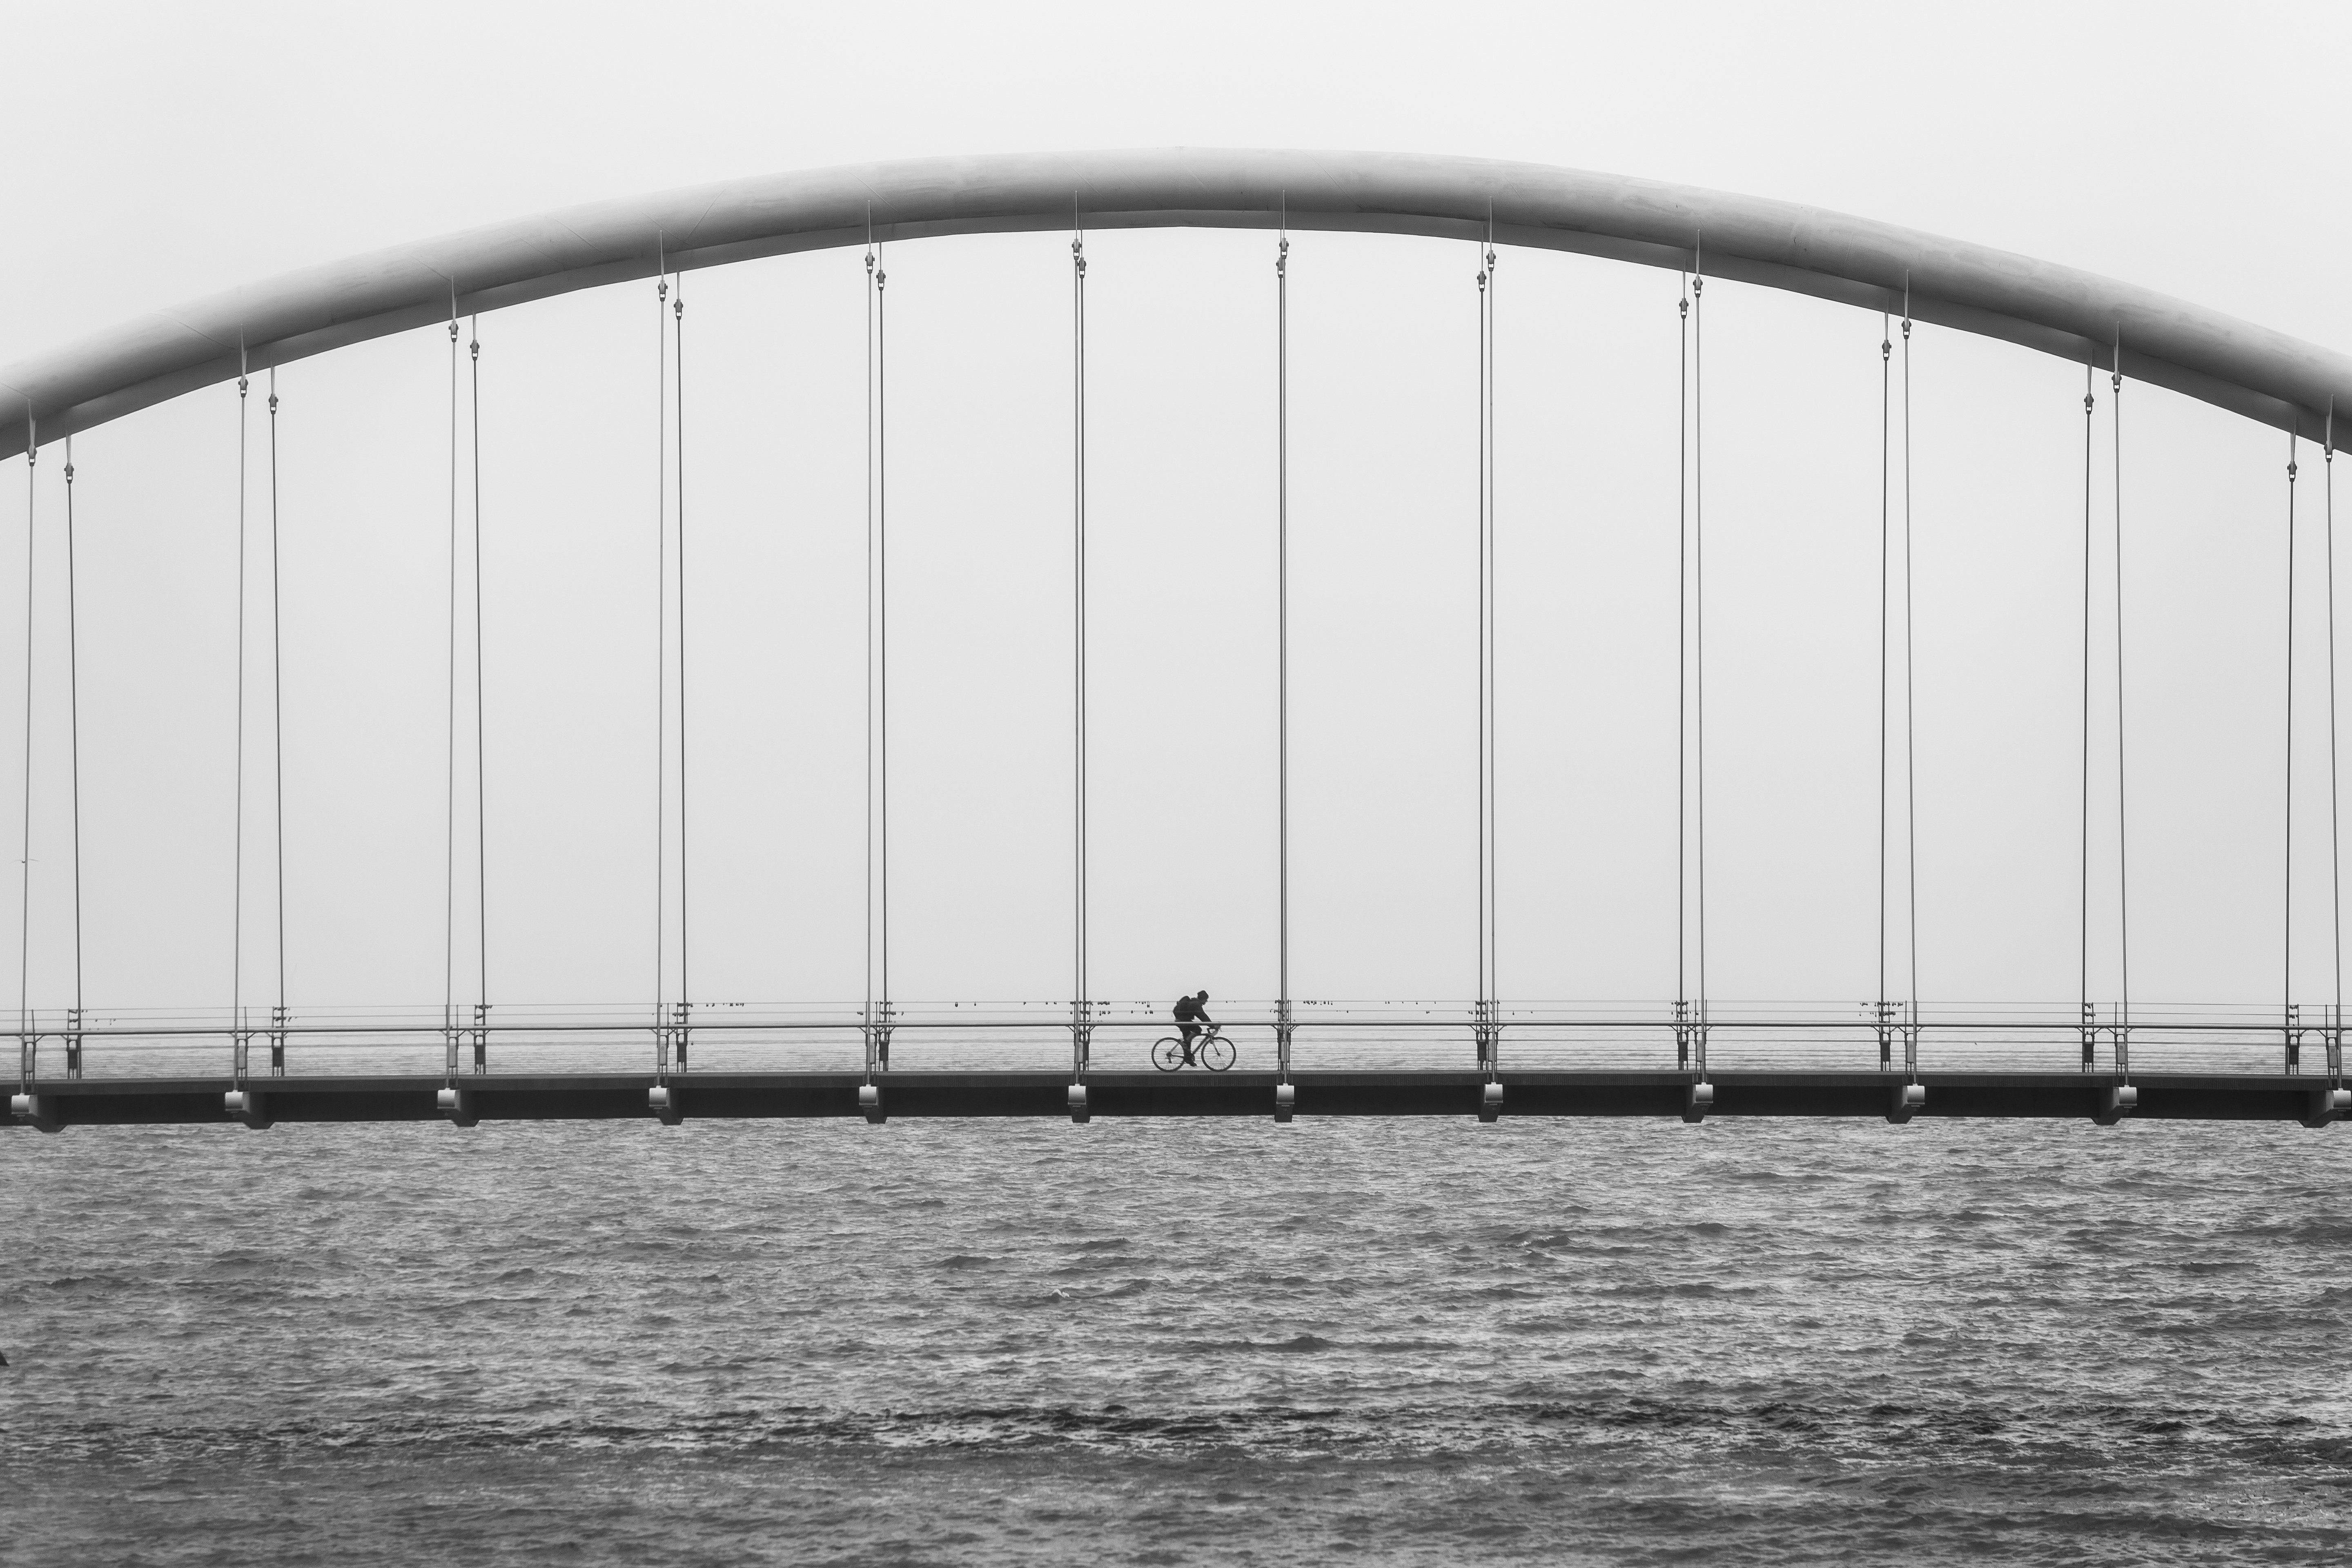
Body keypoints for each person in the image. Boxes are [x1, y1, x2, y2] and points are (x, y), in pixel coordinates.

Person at [1172, 991, 1213, 1064]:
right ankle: (1185, 1043)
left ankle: (1188, 1059)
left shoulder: (1195, 1003)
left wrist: (1211, 1025)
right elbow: (1203, 1017)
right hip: (1183, 1021)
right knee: (1198, 1030)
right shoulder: (1196, 1005)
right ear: (1203, 999)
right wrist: (1213, 1026)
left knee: (1188, 1039)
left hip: (1182, 1020)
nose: (1207, 1001)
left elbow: (1202, 1016)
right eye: (1206, 999)